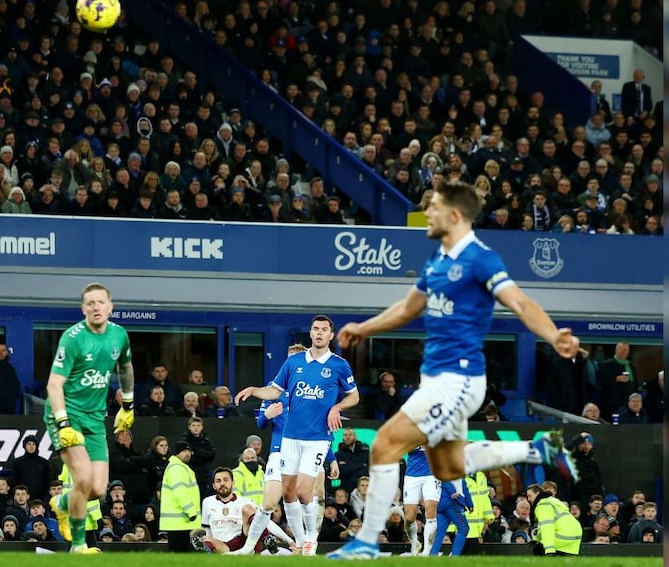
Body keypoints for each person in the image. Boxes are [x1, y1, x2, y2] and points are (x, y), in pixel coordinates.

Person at [327, 183, 580, 560]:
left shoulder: (481, 259)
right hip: (437, 379)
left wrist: (552, 334)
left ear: (455, 215)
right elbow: (407, 308)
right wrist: (365, 328)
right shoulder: (437, 261)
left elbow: (521, 303)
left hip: (458, 380)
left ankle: (366, 542)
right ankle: (538, 447)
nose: (427, 213)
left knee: (383, 444)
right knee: (448, 467)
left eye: (434, 207)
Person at [234, 315, 360, 555]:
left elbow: (354, 396)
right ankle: (299, 542)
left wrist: (336, 407)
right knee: (289, 493)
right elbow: (274, 390)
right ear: (310, 333)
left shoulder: (339, 365)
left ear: (331, 335)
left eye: (324, 330)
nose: (319, 333)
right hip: (289, 439)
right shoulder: (294, 363)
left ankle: (311, 538)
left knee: (304, 491)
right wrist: (253, 390)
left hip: (317, 439)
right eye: (315, 329)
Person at [46, 283, 136, 554]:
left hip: (95, 419)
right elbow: (53, 385)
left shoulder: (119, 335)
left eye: (100, 302)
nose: (96, 307)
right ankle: (78, 545)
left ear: (111, 307)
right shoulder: (72, 338)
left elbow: (126, 367)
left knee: (97, 489)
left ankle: (62, 503)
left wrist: (128, 406)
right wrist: (62, 423)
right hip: (66, 414)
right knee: (83, 480)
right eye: (90, 303)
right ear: (83, 308)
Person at [193, 467, 291, 554]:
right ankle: (207, 552)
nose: (222, 483)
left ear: (233, 483)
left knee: (247, 509)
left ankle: (267, 539)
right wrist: (210, 543)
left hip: (243, 540)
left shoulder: (245, 501)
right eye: (218, 481)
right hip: (223, 545)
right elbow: (207, 528)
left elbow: (266, 522)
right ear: (214, 485)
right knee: (205, 538)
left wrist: (289, 541)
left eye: (226, 480)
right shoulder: (207, 502)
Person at [160, 441, 201, 552]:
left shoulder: (181, 467)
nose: (187, 454)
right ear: (177, 453)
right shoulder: (176, 468)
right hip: (180, 522)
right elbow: (180, 492)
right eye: (184, 451)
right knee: (180, 555)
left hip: (182, 522)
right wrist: (191, 512)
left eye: (189, 451)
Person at [402, 446, 441, 555]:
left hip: (432, 474)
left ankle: (427, 550)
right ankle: (414, 543)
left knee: (431, 509)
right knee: (409, 517)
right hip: (412, 475)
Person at [529, 483, 582, 555]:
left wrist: (549, 550)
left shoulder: (542, 506)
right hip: (576, 535)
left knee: (538, 549)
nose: (528, 499)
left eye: (530, 496)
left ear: (537, 493)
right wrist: (536, 539)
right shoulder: (552, 501)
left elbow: (547, 527)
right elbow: (544, 527)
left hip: (563, 536)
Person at [428, 476, 472, 556]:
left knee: (440, 531)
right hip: (452, 501)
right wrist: (452, 491)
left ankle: (432, 555)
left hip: (441, 502)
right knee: (464, 528)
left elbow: (463, 485)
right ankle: (455, 557)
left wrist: (469, 504)